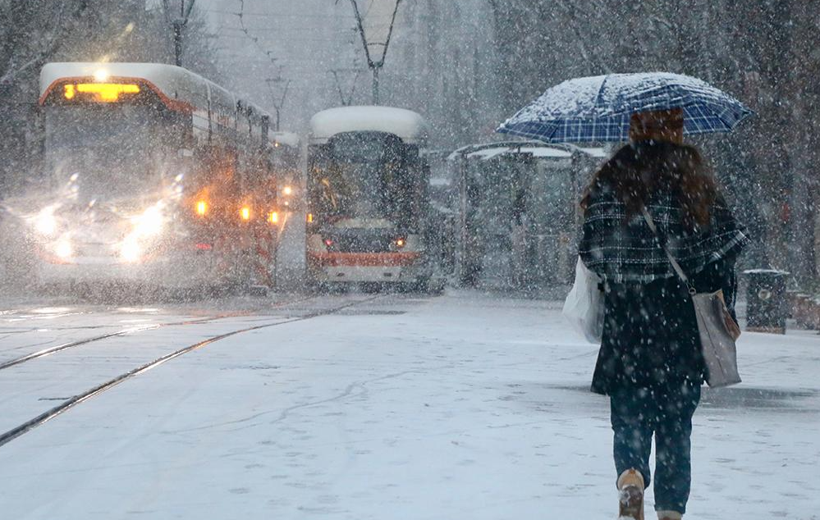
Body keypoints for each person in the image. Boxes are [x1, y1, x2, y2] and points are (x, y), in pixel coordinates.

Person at [578, 108, 749, 520]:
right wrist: (722, 295)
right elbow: (722, 255)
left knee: (630, 412)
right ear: (678, 131)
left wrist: (626, 273)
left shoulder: (611, 181)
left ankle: (632, 476)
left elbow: (592, 252)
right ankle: (671, 508)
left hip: (627, 320)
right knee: (675, 423)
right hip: (679, 321)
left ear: (634, 131)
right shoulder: (695, 183)